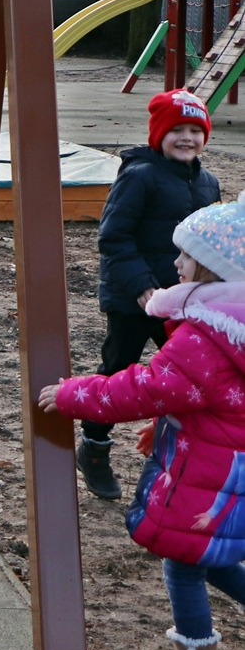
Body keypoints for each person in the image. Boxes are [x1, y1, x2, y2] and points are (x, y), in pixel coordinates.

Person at [39, 198, 245, 650]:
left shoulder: (205, 335)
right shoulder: (233, 327)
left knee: (185, 562)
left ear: (212, 268)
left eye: (186, 256)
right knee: (214, 558)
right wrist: (174, 423)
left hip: (207, 477)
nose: (176, 263)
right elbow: (214, 399)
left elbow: (145, 388)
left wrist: (73, 394)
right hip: (230, 469)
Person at [79, 88, 220, 499]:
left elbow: (212, 243)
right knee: (118, 367)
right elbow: (114, 237)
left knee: (190, 373)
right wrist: (142, 287)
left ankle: (185, 449)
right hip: (133, 297)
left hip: (183, 300)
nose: (187, 138)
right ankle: (94, 446)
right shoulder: (139, 176)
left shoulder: (208, 182)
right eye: (177, 130)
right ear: (159, 134)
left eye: (196, 131)